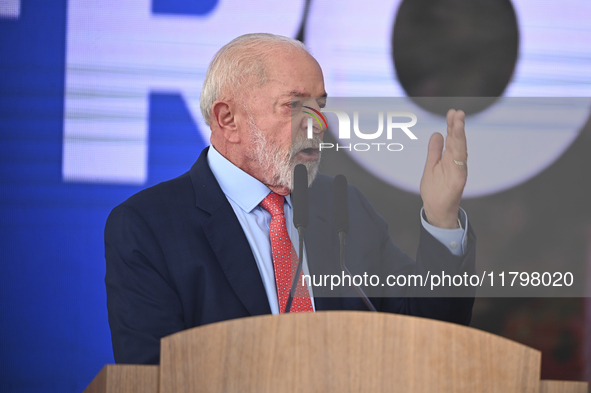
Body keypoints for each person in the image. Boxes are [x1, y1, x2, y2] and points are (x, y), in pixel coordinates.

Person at [105, 33, 476, 365]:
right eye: (294, 105)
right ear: (228, 119)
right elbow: (150, 375)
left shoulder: (343, 205)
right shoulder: (148, 225)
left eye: (320, 106)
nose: (317, 124)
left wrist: (442, 218)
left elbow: (430, 331)